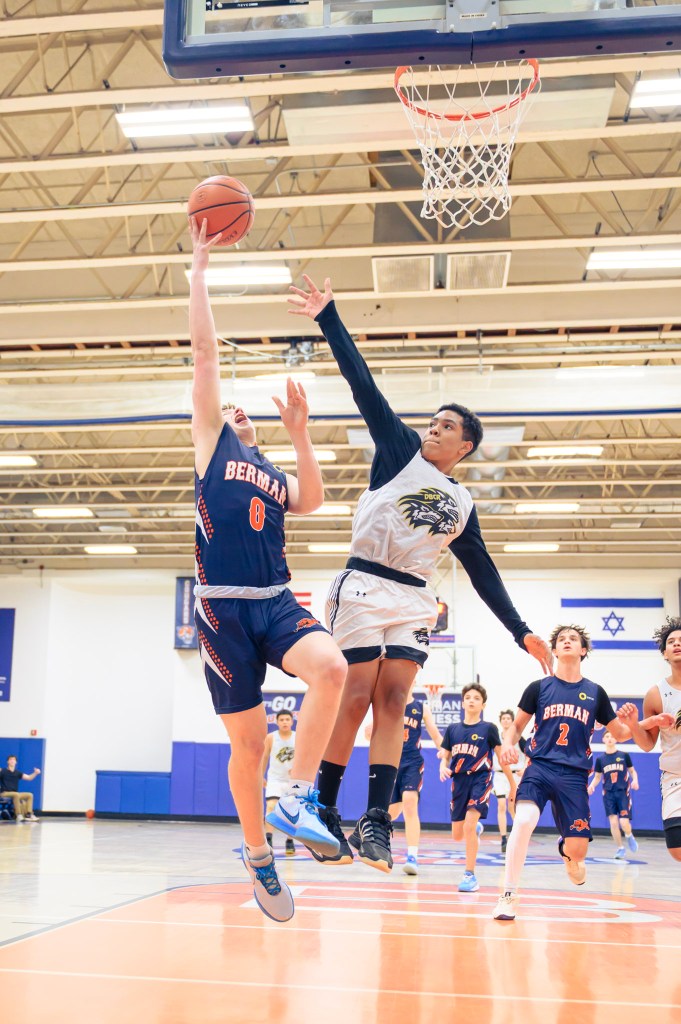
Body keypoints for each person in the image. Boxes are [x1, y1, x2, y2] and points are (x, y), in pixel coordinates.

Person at [287, 275, 552, 873]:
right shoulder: (400, 449)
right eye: (434, 421)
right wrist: (328, 316)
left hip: (413, 597)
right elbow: (363, 385)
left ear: (466, 446)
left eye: (447, 426)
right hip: (363, 583)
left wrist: (521, 632)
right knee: (356, 694)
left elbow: (483, 573)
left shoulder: (462, 504)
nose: (434, 428)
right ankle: (322, 806)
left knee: (395, 700)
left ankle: (376, 821)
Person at [189, 218, 347, 922]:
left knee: (332, 668)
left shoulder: (269, 473)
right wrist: (200, 269)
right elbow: (204, 357)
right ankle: (257, 855)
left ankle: (297, 798)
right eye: (230, 410)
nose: (237, 411)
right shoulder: (211, 446)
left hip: (275, 598)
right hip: (222, 607)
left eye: (241, 412)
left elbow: (312, 500)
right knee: (249, 745)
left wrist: (300, 436)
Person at [493, 624, 670, 922]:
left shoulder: (595, 692)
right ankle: (508, 895)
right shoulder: (538, 688)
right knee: (523, 820)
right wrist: (509, 745)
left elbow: (621, 733)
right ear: (554, 649)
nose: (566, 642)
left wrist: (646, 721)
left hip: (574, 775)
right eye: (561, 639)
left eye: (573, 639)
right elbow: (517, 726)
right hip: (540, 767)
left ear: (583, 650)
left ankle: (567, 850)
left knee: (578, 852)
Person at [439, 682, 516, 892]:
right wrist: (442, 767)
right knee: (457, 835)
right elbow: (445, 756)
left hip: (481, 780)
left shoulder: (488, 729)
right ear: (462, 703)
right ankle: (476, 829)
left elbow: (501, 758)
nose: (471, 701)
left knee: (469, 826)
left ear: (483, 705)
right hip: (459, 782)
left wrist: (512, 784)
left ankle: (470, 875)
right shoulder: (453, 729)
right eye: (468, 698)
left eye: (476, 698)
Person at [618, 615, 681, 863]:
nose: (677, 644)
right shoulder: (656, 694)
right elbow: (647, 745)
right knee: (677, 848)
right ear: (664, 653)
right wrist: (634, 724)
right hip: (675, 777)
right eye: (671, 642)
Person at [387, 685, 443, 875]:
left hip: (412, 761)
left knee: (410, 802)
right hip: (391, 761)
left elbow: (436, 735)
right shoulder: (389, 704)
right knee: (392, 811)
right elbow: (373, 732)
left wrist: (447, 752)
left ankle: (412, 856)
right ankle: (379, 841)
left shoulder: (421, 708)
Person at [588, 730, 639, 859]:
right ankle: (620, 848)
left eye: (612, 736)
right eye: (607, 736)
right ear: (603, 740)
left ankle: (629, 835)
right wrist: (592, 786)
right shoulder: (600, 759)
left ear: (616, 739)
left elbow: (632, 771)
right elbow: (597, 777)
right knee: (614, 822)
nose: (610, 738)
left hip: (622, 793)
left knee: (624, 822)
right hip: (608, 794)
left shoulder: (624, 756)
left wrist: (635, 780)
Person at [263, 710, 297, 856]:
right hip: (275, 779)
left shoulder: (298, 737)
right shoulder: (271, 737)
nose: (284, 722)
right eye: (281, 720)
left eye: (287, 719)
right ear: (277, 722)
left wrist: (298, 770)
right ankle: (268, 839)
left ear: (292, 721)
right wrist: (260, 775)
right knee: (271, 806)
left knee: (292, 811)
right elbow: (264, 757)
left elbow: (303, 757)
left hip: (292, 780)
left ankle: (290, 840)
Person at [493, 709, 526, 853]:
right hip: (500, 775)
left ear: (512, 721)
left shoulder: (519, 739)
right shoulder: (496, 738)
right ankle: (503, 838)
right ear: (500, 721)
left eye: (508, 718)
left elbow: (530, 754)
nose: (506, 720)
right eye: (504, 718)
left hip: (515, 775)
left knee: (512, 808)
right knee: (501, 805)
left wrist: (524, 768)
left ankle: (517, 835)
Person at [0, 756, 41, 822]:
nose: (12, 761)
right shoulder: (3, 771)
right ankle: (18, 814)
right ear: (8, 762)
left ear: (16, 762)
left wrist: (35, 773)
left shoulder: (17, 773)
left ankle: (29, 814)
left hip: (15, 793)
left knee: (29, 795)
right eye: (10, 759)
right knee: (16, 794)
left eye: (14, 760)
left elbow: (29, 778)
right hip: (4, 793)